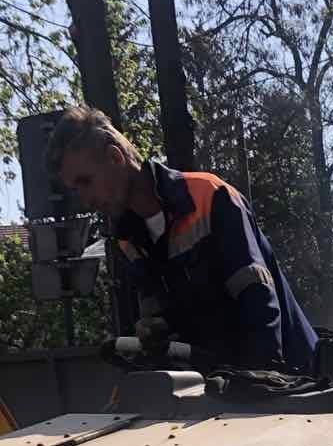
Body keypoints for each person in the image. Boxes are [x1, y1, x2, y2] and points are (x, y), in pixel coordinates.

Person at [47, 106, 318, 374]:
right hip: (219, 383)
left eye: (86, 182)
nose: (85, 200)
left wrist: (262, 382)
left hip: (293, 377)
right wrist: (155, 331)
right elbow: (167, 323)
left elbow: (257, 299)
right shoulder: (128, 240)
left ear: (115, 157)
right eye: (75, 190)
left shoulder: (210, 196)